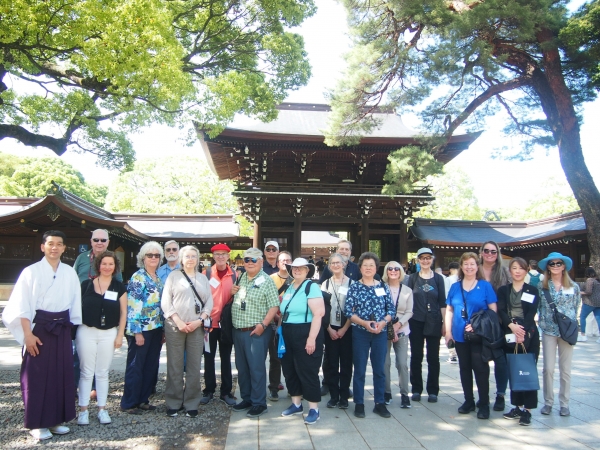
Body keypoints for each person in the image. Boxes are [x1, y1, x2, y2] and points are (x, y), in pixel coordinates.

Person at [2, 230, 82, 440]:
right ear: (42, 247)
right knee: (37, 376)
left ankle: (55, 420)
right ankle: (37, 422)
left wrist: (71, 328)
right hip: (39, 328)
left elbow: (74, 303)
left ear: (64, 248)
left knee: (60, 374)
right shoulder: (31, 272)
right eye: (50, 243)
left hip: (62, 328)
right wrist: (27, 335)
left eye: (59, 244)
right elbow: (22, 305)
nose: (54, 247)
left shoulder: (69, 272)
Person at [76, 251, 127, 426]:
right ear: (98, 265)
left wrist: (120, 334)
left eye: (111, 264)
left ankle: (102, 409)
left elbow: (124, 312)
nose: (107, 267)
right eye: (104, 263)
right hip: (86, 331)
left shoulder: (119, 287)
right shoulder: (86, 285)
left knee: (102, 372)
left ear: (115, 267)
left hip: (109, 333)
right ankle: (83, 410)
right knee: (86, 372)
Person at [162, 245, 213, 418]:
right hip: (175, 326)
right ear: (181, 259)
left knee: (194, 365)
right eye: (187, 256)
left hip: (196, 326)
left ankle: (192, 401)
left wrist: (200, 321)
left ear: (198, 259)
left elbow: (209, 303)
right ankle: (173, 401)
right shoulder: (173, 276)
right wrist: (177, 320)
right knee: (175, 365)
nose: (190, 259)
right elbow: (166, 301)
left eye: (193, 256)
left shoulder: (203, 278)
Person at [445, 252, 498, 419]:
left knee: (481, 369)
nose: (469, 267)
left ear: (477, 266)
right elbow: (449, 310)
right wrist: (447, 331)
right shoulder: (455, 287)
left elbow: (493, 310)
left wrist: (478, 325)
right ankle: (469, 400)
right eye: (465, 264)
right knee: (464, 368)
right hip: (460, 335)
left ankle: (483, 403)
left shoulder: (485, 286)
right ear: (461, 266)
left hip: (479, 335)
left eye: (472, 264)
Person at [72, 228, 122, 398]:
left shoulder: (112, 259)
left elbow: (119, 285)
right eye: (96, 240)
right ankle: (76, 387)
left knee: (100, 358)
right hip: (83, 310)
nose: (99, 243)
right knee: (79, 355)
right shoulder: (81, 258)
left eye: (103, 240)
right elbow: (73, 279)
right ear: (91, 241)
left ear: (108, 242)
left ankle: (94, 388)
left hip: (105, 312)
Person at [230, 248, 279, 418]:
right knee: (242, 368)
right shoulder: (242, 277)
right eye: (247, 260)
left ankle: (259, 403)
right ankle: (247, 398)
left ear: (261, 262)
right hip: (239, 330)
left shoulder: (267, 280)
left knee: (256, 368)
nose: (249, 262)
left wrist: (264, 325)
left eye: (253, 260)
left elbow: (274, 305)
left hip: (256, 331)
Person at [345, 252, 395, 419]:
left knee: (379, 369)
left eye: (371, 265)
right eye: (365, 265)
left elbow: (391, 310)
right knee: (359, 369)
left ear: (376, 268)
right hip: (361, 332)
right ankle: (359, 403)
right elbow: (348, 312)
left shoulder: (382, 286)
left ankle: (379, 403)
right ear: (360, 268)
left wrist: (383, 322)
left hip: (380, 332)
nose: (368, 268)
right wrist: (364, 323)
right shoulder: (355, 287)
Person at [120, 241, 165, 414]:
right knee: (135, 366)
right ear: (142, 258)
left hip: (155, 327)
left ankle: (143, 399)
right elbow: (133, 306)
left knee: (150, 365)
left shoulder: (157, 278)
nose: (153, 258)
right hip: (141, 329)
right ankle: (129, 402)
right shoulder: (139, 277)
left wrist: (162, 330)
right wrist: (136, 331)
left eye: (156, 255)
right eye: (150, 255)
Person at [280, 258, 325, 424]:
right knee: (290, 368)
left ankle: (314, 408)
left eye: (301, 268)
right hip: (288, 331)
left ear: (307, 271)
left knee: (307, 369)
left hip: (306, 330)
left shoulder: (311, 286)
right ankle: (296, 403)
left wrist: (311, 338)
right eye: (294, 268)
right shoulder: (290, 287)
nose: (297, 270)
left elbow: (318, 314)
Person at [497, 257, 541, 426]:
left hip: (528, 333)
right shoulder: (503, 290)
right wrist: (511, 326)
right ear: (510, 270)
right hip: (510, 332)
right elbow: (501, 310)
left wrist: (522, 330)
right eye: (514, 268)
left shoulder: (532, 290)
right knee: (514, 369)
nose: (517, 271)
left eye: (521, 268)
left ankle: (528, 410)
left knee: (528, 369)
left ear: (526, 270)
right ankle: (517, 405)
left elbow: (531, 313)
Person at [538, 252, 580, 417]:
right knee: (548, 368)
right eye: (552, 264)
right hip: (548, 330)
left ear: (564, 266)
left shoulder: (573, 287)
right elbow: (539, 307)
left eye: (558, 263)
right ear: (548, 267)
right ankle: (548, 402)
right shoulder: (542, 287)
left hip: (566, 331)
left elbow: (576, 306)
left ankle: (564, 403)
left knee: (565, 369)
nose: (555, 266)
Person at [405, 248, 446, 403]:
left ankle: (433, 390)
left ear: (432, 259)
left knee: (433, 357)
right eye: (422, 258)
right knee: (416, 356)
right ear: (418, 260)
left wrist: (444, 323)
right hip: (416, 320)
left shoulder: (439, 279)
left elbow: (442, 302)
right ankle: (416, 388)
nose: (425, 261)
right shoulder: (413, 278)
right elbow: (408, 299)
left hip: (434, 320)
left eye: (428, 258)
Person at [200, 244, 237, 406]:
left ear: (228, 256)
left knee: (226, 358)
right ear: (213, 256)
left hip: (226, 324)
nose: (220, 257)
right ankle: (208, 390)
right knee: (208, 357)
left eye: (223, 254)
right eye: (217, 254)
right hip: (209, 324)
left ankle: (226, 391)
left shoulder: (235, 275)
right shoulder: (205, 274)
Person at [478, 241, 510, 411]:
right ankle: (483, 396)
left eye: (493, 251)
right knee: (480, 359)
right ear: (481, 252)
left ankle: (500, 394)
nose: (490, 254)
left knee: (501, 360)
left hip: (500, 320)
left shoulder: (504, 272)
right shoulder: (474, 269)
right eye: (486, 251)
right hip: (479, 322)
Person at [321, 253, 353, 409]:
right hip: (330, 327)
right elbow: (321, 309)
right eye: (332, 263)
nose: (335, 265)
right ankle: (334, 396)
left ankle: (344, 395)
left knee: (346, 363)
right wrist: (328, 328)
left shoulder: (352, 283)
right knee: (332, 363)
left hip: (347, 327)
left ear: (344, 264)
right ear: (329, 266)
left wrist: (345, 328)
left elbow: (355, 309)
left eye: (338, 262)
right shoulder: (325, 284)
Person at [382, 261, 413, 409]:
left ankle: (405, 394)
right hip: (384, 329)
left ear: (400, 272)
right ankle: (386, 392)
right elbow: (379, 309)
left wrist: (398, 325)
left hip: (402, 329)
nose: (393, 271)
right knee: (385, 363)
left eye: (396, 269)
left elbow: (409, 311)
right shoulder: (381, 289)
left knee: (402, 363)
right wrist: (389, 326)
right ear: (386, 272)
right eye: (390, 269)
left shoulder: (407, 290)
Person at [268, 251, 293, 401]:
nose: (285, 262)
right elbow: (268, 300)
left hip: (290, 324)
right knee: (275, 357)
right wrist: (277, 317)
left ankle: (292, 387)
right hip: (274, 323)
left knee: (291, 358)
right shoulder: (271, 279)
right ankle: (274, 387)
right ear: (277, 263)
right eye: (282, 260)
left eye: (288, 260)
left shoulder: (295, 279)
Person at [578, 267, 600, 343]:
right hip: (598, 303)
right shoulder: (597, 281)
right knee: (598, 319)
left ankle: (583, 335)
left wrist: (579, 292)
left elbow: (588, 292)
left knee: (582, 317)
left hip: (589, 302)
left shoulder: (589, 280)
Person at [445, 262, 460, 364]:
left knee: (450, 332)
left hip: (450, 307)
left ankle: (452, 354)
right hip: (459, 308)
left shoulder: (448, 279)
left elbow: (446, 294)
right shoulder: (460, 279)